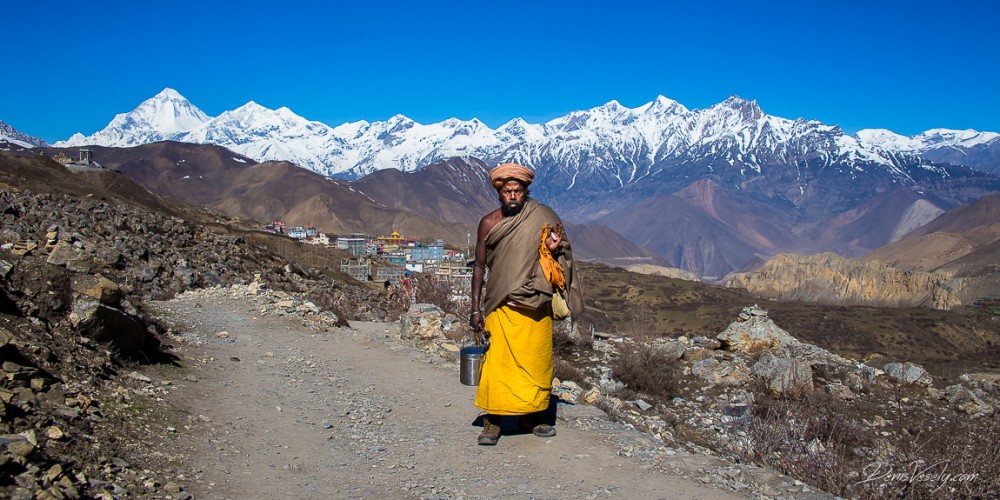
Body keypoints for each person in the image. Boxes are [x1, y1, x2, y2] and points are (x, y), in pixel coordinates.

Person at [469, 162, 581, 446]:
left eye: (518, 191)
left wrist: (552, 250)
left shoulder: (542, 216)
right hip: (501, 304)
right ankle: (493, 421)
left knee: (535, 364)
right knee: (498, 366)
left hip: (535, 307)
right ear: (499, 193)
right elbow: (480, 266)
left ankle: (533, 416)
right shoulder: (489, 223)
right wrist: (474, 309)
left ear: (526, 190)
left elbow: (562, 256)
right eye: (507, 191)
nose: (513, 196)